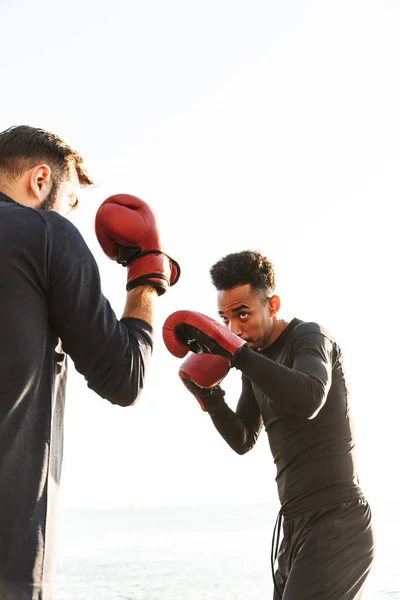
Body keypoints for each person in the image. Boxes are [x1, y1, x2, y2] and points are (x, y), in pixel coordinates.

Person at [0, 125, 179, 599]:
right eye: (71, 202)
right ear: (41, 181)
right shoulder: (44, 234)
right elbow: (125, 377)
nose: (70, 217)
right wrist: (147, 274)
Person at [163, 250, 375, 600]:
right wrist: (211, 399)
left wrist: (235, 352)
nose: (234, 328)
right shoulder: (253, 360)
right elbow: (245, 438)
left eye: (242, 314)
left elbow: (310, 397)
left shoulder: (310, 338)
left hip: (339, 518)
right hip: (294, 524)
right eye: (224, 319)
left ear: (272, 304)